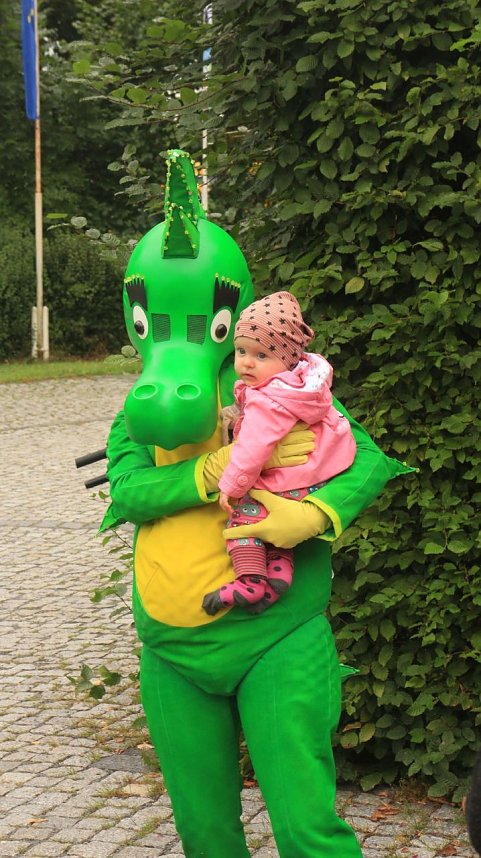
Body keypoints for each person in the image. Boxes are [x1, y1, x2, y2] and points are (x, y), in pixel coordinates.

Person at [100, 148, 414, 858]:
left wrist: (314, 515)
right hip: (172, 646)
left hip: (275, 634)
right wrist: (210, 470)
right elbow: (129, 493)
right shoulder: (140, 410)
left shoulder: (279, 387)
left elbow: (363, 458)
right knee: (204, 831)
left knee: (306, 826)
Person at [202, 291, 356, 616]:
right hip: (315, 479)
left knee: (245, 518)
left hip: (288, 481)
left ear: (286, 359)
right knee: (274, 529)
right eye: (242, 351)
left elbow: (253, 448)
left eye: (261, 355)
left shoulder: (267, 399)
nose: (247, 362)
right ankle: (277, 578)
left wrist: (231, 485)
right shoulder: (303, 384)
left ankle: (249, 581)